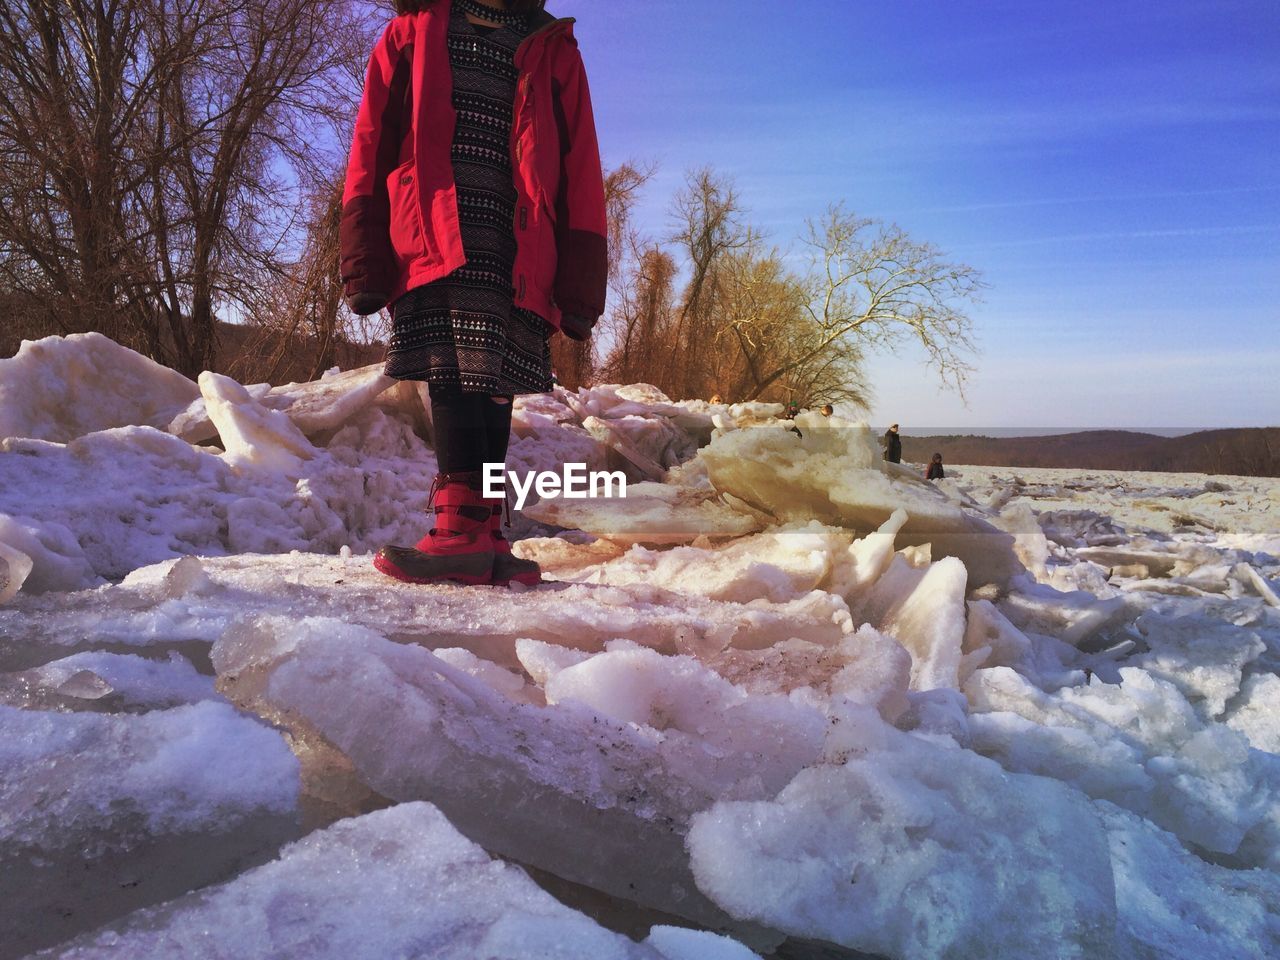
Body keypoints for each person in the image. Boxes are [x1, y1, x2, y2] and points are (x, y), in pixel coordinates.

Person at [340, 0, 607, 586]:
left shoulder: (552, 46)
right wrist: (362, 248)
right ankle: (465, 526)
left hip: (521, 242)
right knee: (451, 367)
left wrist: (583, 275)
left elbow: (579, 159)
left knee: (496, 383)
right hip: (433, 228)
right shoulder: (409, 33)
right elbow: (371, 140)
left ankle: (480, 529)